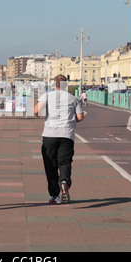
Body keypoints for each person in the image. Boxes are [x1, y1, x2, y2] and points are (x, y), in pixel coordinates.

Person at [34, 75, 84, 204]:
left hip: (49, 135)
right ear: (65, 85)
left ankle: (55, 196)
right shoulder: (73, 98)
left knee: (50, 165)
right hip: (67, 135)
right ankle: (64, 181)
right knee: (65, 162)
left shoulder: (47, 96)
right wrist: (72, 120)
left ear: (54, 84)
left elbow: (36, 111)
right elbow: (80, 117)